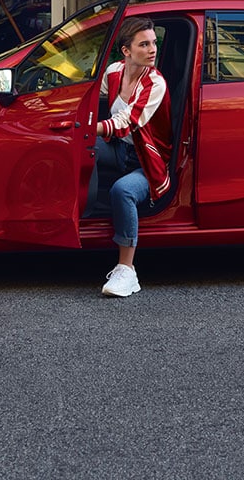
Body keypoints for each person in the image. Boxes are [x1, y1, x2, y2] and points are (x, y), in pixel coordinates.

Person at [95, 16, 172, 298]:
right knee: (80, 146)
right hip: (119, 149)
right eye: (144, 44)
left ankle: (127, 270)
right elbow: (90, 95)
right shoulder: (115, 72)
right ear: (127, 51)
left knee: (122, 190)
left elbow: (127, 122)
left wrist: (94, 127)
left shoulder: (155, 83)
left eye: (154, 43)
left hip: (147, 159)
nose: (152, 49)